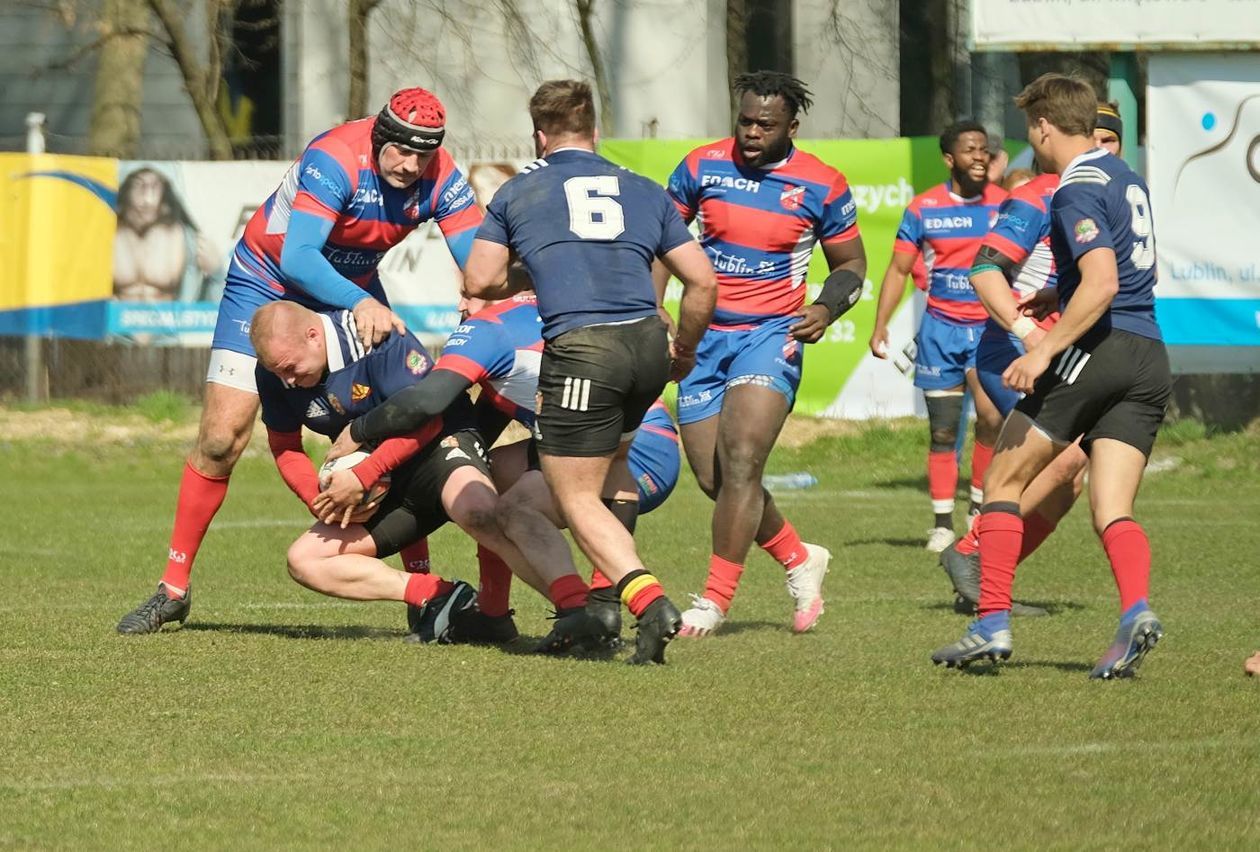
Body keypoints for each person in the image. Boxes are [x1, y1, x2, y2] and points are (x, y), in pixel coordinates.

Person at [117, 87, 482, 634]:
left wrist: (483, 293)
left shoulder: (442, 176)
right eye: (400, 150)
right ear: (380, 136)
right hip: (269, 280)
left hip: (353, 283)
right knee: (221, 437)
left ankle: (422, 593)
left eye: (423, 153)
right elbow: (300, 257)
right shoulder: (336, 158)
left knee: (399, 413)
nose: (410, 164)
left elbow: (481, 260)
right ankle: (173, 588)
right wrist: (363, 302)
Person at [462, 79, 718, 664]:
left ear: (538, 135)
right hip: (649, 347)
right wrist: (685, 349)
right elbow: (702, 281)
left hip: (585, 351)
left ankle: (647, 601)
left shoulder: (518, 192)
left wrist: (535, 272)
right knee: (614, 470)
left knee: (573, 496)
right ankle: (601, 602)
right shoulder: (646, 191)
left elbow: (478, 280)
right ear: (595, 133)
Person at [931, 73, 1170, 679]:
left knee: (1004, 478)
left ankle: (990, 622)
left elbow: (1104, 284)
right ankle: (1135, 613)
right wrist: (1051, 294)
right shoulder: (1127, 178)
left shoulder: (1072, 189)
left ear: (1043, 127)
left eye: (1029, 129)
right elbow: (1123, 273)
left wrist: (1042, 350)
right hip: (1148, 354)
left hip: (1099, 348)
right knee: (1111, 506)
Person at [328, 291, 683, 646]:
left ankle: (601, 611)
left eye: (469, 291)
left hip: (633, 454)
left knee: (513, 509)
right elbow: (479, 437)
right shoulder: (542, 307)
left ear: (498, 286)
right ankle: (494, 615)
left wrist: (361, 435)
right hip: (641, 440)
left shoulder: (489, 328)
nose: (460, 304)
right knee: (486, 481)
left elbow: (426, 401)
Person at [250, 301, 598, 645]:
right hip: (382, 484)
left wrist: (367, 472)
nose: (288, 380)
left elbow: (427, 418)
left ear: (313, 336)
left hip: (439, 445)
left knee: (480, 513)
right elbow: (285, 446)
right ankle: (441, 597)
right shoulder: (274, 372)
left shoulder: (376, 337)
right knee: (304, 561)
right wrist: (320, 499)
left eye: (290, 368)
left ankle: (577, 611)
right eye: (279, 373)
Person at [660, 71, 865, 638]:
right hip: (702, 338)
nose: (751, 132)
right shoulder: (700, 166)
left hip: (771, 334)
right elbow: (661, 240)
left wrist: (825, 309)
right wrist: (657, 309)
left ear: (791, 128)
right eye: (745, 121)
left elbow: (851, 266)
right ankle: (801, 558)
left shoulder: (822, 183)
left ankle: (715, 600)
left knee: (744, 460)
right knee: (715, 479)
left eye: (765, 125)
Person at [941, 103, 1127, 616]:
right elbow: (987, 270)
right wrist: (1025, 331)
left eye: (1110, 141)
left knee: (1072, 476)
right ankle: (971, 552)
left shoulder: (1118, 195)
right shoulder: (1037, 195)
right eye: (1095, 139)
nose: (1102, 150)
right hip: (1017, 349)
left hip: (1066, 351)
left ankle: (987, 576)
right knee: (1065, 456)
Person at [870, 120, 1008, 553]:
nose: (980, 157)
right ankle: (943, 522)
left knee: (993, 419)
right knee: (944, 431)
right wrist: (880, 325)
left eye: (984, 149)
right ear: (950, 159)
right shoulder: (923, 208)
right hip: (940, 332)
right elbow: (897, 270)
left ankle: (981, 508)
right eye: (970, 150)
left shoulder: (1007, 206)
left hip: (990, 331)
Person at [113, 166, 224, 303]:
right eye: (138, 185)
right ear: (126, 190)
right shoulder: (106, 233)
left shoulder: (186, 237)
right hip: (114, 323)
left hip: (172, 323)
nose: (147, 199)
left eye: (155, 186)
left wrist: (216, 273)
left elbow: (213, 304)